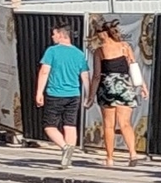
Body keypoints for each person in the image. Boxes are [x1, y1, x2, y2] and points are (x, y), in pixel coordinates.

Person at [88, 18, 143, 167]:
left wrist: (91, 96)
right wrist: (142, 85)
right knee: (125, 123)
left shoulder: (99, 51)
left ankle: (110, 158)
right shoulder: (125, 46)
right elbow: (133, 66)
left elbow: (96, 76)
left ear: (102, 34)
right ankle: (133, 154)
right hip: (125, 87)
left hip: (107, 87)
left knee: (108, 125)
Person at [34, 23, 90, 164]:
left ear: (60, 34)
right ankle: (68, 158)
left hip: (55, 94)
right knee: (70, 125)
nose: (52, 37)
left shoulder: (52, 51)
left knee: (49, 126)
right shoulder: (79, 54)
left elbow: (44, 71)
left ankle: (65, 148)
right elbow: (85, 76)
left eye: (54, 34)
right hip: (74, 94)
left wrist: (39, 92)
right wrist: (89, 95)